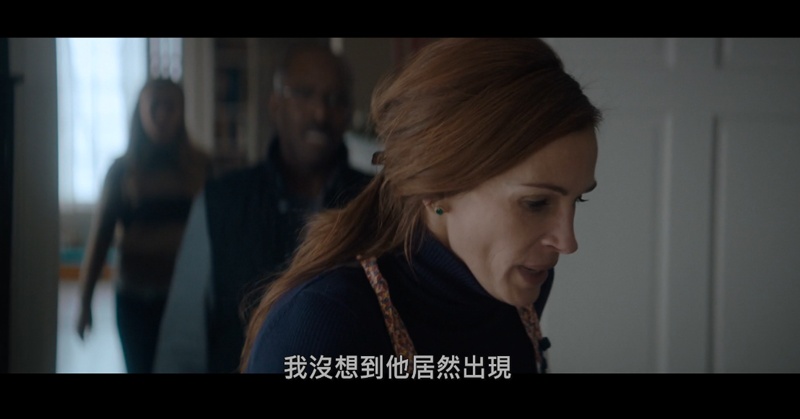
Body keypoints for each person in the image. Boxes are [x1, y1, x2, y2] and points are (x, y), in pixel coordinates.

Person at [240, 38, 602, 377]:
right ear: (438, 188)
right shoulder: (320, 327)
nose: (567, 242)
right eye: (536, 203)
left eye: (578, 199)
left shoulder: (517, 294)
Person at [153, 41, 373, 373]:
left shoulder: (376, 203)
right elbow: (182, 346)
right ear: (275, 103)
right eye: (304, 94)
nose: (320, 113)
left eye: (336, 99)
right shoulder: (221, 202)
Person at [76, 78, 212, 374]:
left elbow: (219, 234)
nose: (162, 115)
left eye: (170, 107)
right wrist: (84, 302)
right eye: (154, 106)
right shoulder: (122, 171)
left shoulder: (201, 167)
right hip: (135, 297)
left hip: (186, 297)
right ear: (140, 112)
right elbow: (101, 238)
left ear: (181, 112)